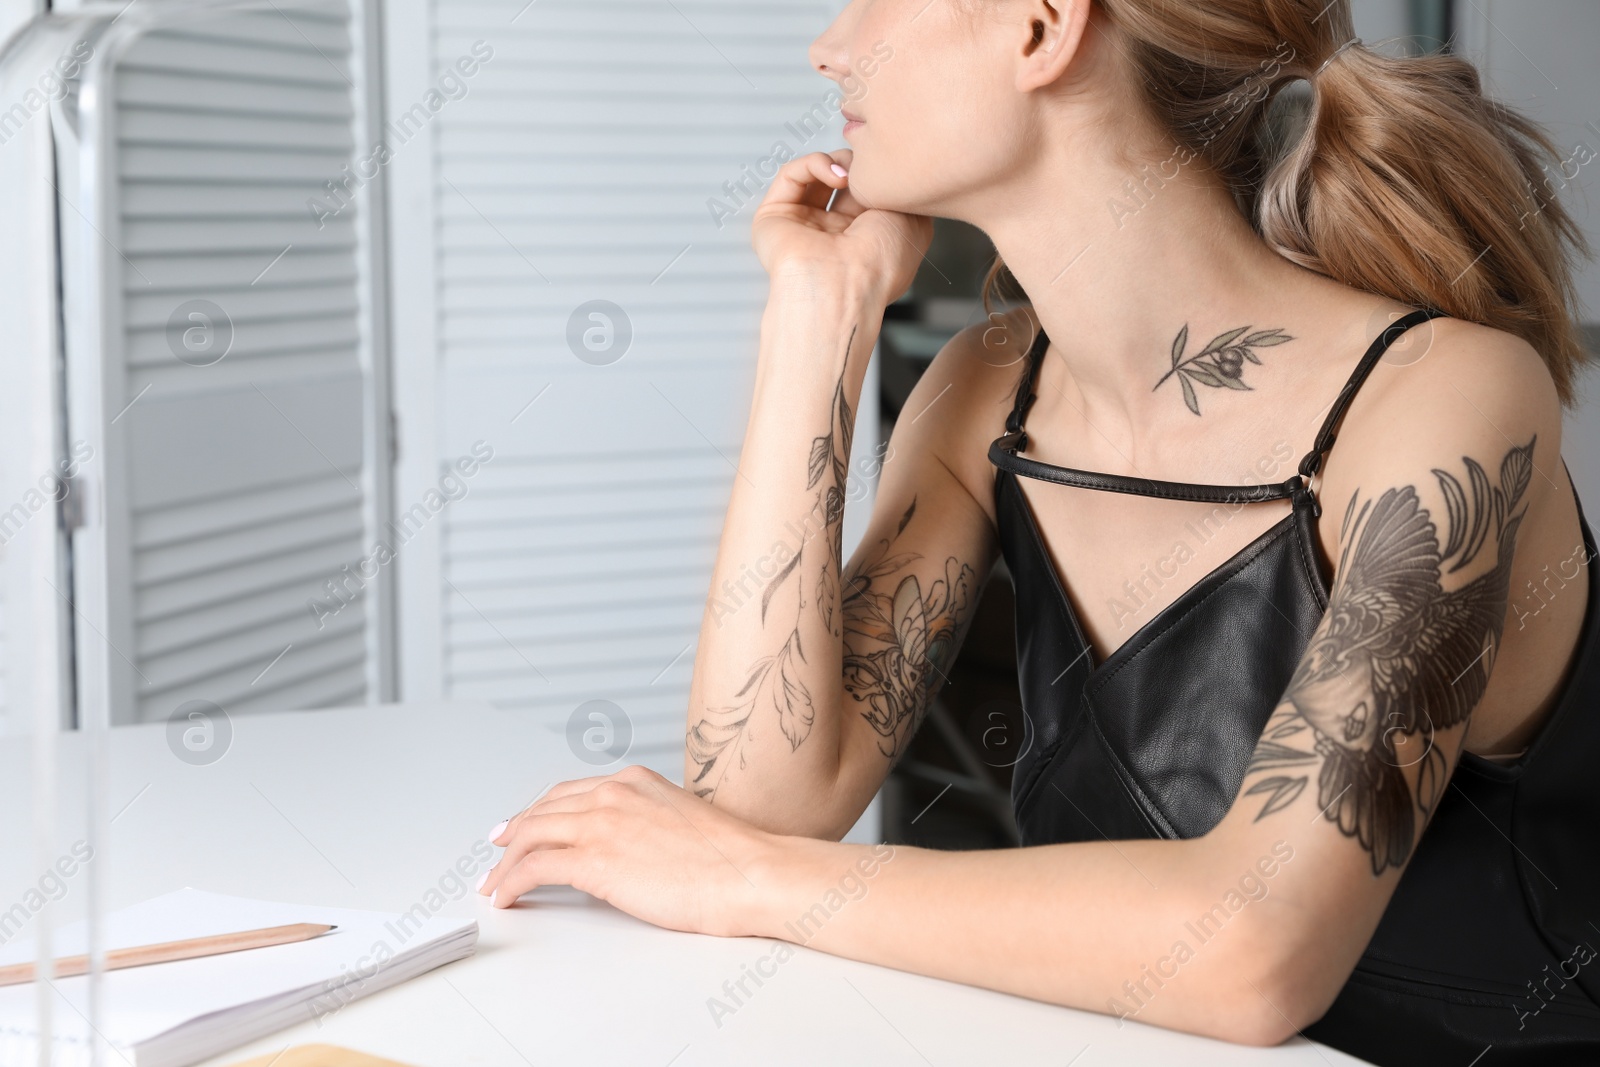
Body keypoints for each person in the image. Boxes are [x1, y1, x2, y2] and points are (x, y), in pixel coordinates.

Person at [477, 0, 1600, 1060]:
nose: (829, 45)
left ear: (1040, 25)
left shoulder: (1442, 393)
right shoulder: (987, 389)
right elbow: (761, 801)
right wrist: (817, 315)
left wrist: (758, 882)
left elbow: (1259, 955)